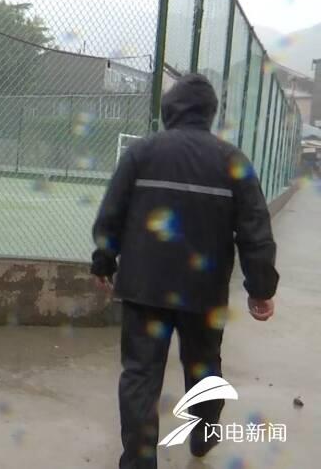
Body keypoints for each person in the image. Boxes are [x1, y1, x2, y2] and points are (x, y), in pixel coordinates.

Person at [91, 74, 279, 469]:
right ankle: (203, 435)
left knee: (140, 374)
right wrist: (260, 288)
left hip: (145, 289)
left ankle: (140, 461)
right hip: (204, 292)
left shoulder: (142, 154)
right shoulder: (232, 161)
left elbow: (112, 214)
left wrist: (104, 262)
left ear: (170, 109)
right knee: (205, 367)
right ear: (210, 114)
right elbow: (255, 230)